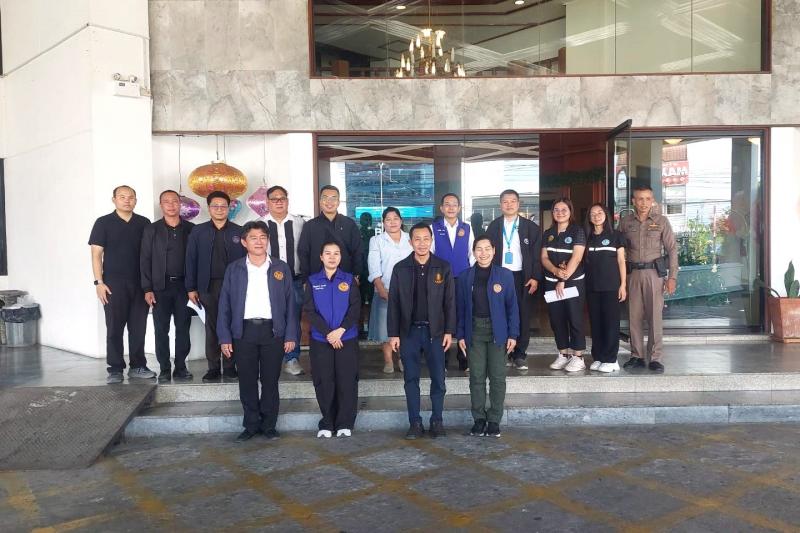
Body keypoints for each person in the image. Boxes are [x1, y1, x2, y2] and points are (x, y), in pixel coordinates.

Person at [217, 221, 298, 442]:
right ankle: (251, 425)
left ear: (268, 240)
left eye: (263, 237)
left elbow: (291, 305)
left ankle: (269, 425)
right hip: (244, 332)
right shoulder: (234, 269)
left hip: (274, 331)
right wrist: (224, 337)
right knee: (247, 380)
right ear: (244, 242)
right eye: (253, 238)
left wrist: (291, 335)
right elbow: (224, 305)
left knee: (271, 381)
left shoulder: (280, 267)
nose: (259, 242)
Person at [388, 223, 456, 440]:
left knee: (438, 379)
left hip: (435, 333)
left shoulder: (443, 267)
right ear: (410, 242)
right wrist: (393, 333)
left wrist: (449, 331)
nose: (422, 243)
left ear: (431, 241)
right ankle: (415, 423)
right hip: (409, 332)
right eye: (417, 239)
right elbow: (394, 303)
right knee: (411, 379)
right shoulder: (400, 268)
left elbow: (450, 302)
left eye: (426, 239)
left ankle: (437, 421)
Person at [89, 185, 154, 384]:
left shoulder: (144, 223)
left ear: (136, 200)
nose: (127, 200)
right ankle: (115, 369)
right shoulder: (103, 222)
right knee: (114, 328)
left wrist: (149, 286)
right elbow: (96, 254)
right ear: (114, 200)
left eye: (131, 197)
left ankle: (138, 366)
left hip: (140, 283)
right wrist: (99, 283)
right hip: (113, 284)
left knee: (138, 327)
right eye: (122, 197)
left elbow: (150, 255)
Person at [456, 236, 519, 438]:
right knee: (476, 377)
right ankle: (479, 419)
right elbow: (460, 309)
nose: (483, 253)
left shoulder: (505, 275)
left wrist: (513, 334)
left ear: (494, 250)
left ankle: (494, 420)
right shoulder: (465, 276)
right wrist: (460, 334)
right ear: (473, 252)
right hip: (474, 330)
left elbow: (512, 307)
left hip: (498, 331)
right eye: (479, 249)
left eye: (487, 249)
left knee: (498, 377)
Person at [185, 191, 246, 383]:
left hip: (234, 287)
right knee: (211, 326)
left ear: (229, 208)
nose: (219, 209)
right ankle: (213, 367)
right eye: (215, 206)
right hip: (208, 286)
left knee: (233, 324)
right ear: (209, 208)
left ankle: (230, 366)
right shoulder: (198, 231)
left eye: (223, 206)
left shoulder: (239, 231)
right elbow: (190, 260)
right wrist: (191, 288)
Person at [304, 241, 360, 438]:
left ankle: (345, 422)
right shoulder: (312, 281)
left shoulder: (349, 280)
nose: (332, 257)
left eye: (336, 253)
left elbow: (355, 309)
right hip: (321, 340)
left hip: (346, 339)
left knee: (346, 380)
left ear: (340, 257)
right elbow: (310, 310)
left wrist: (340, 331)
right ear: (321, 257)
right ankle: (327, 423)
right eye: (328, 253)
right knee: (324, 381)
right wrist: (329, 333)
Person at [620, 185, 678, 373]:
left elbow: (672, 249)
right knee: (634, 316)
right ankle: (637, 356)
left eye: (647, 199)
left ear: (652, 200)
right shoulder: (625, 222)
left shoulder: (661, 221)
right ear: (633, 201)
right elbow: (619, 250)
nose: (644, 203)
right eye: (640, 199)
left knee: (655, 317)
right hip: (633, 274)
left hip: (654, 274)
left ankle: (655, 358)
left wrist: (672, 277)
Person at [140, 190, 195, 382]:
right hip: (159, 287)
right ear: (161, 205)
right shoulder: (151, 229)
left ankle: (181, 367)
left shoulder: (191, 229)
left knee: (183, 328)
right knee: (160, 329)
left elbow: (196, 259)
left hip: (184, 287)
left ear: (180, 204)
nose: (171, 205)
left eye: (174, 201)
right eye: (166, 202)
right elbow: (145, 259)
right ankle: (164, 368)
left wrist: (193, 287)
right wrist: (147, 288)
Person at [486, 189, 542, 371]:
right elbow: (487, 252)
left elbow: (536, 256)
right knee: (499, 313)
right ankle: (502, 352)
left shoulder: (531, 227)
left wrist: (535, 277)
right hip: (500, 276)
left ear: (518, 204)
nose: (509, 204)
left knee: (522, 314)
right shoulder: (494, 226)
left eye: (512, 201)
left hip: (522, 277)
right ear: (500, 205)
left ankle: (519, 354)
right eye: (505, 201)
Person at [263, 185, 306, 376]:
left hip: (295, 280)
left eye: (282, 198)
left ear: (287, 201)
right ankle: (270, 358)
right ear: (267, 202)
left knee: (293, 319)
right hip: (267, 281)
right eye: (274, 199)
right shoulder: (260, 224)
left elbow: (307, 250)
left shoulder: (300, 223)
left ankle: (292, 358)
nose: (279, 202)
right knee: (268, 318)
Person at [542, 198, 587, 372]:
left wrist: (563, 279)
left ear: (570, 211)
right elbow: (544, 257)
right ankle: (563, 354)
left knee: (574, 318)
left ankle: (578, 356)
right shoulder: (548, 233)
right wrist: (555, 271)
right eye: (556, 210)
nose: (559, 213)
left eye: (564, 210)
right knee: (557, 320)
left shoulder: (577, 231)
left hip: (573, 283)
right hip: (551, 283)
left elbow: (577, 257)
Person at [431, 193, 474, 371]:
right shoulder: (433, 227)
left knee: (464, 315)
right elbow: (430, 254)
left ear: (459, 208)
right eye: (447, 204)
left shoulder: (467, 228)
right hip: (440, 280)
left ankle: (464, 360)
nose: (450, 208)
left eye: (454, 204)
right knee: (441, 317)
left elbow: (472, 254)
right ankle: (443, 360)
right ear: (441, 208)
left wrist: (473, 277)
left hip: (463, 278)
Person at [367, 207, 412, 374]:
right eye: (388, 219)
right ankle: (388, 360)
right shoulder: (376, 240)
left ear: (401, 220)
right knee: (385, 329)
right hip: (385, 289)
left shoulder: (410, 239)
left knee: (406, 327)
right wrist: (381, 289)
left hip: (408, 292)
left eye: (395, 218)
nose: (392, 222)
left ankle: (402, 358)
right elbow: (373, 266)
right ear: (383, 222)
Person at [584, 204, 626, 373]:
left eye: (599, 212)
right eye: (593, 213)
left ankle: (611, 359)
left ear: (606, 215)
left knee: (610, 323)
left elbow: (621, 261)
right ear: (589, 217)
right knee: (596, 323)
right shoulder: (586, 237)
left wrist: (623, 285)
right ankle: (599, 356)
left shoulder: (616, 235)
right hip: (592, 287)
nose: (596, 216)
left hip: (611, 286)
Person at [298, 185, 363, 281]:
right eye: (325, 198)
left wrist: (356, 275)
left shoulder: (349, 224)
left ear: (338, 202)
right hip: (316, 280)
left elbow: (358, 252)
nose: (329, 202)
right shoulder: (310, 226)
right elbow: (303, 253)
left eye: (333, 198)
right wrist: (305, 280)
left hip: (345, 279)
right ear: (320, 201)